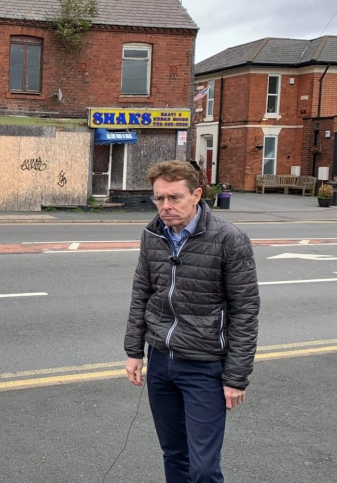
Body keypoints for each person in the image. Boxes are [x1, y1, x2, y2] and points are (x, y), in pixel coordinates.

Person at [123, 160, 260, 483]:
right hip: (160, 360)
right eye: (159, 199)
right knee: (174, 455)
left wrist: (236, 377)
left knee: (202, 468)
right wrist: (133, 352)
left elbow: (245, 311)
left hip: (205, 366)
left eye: (175, 198)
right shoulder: (153, 234)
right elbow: (142, 294)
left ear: (197, 194)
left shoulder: (229, 239)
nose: (165, 207)